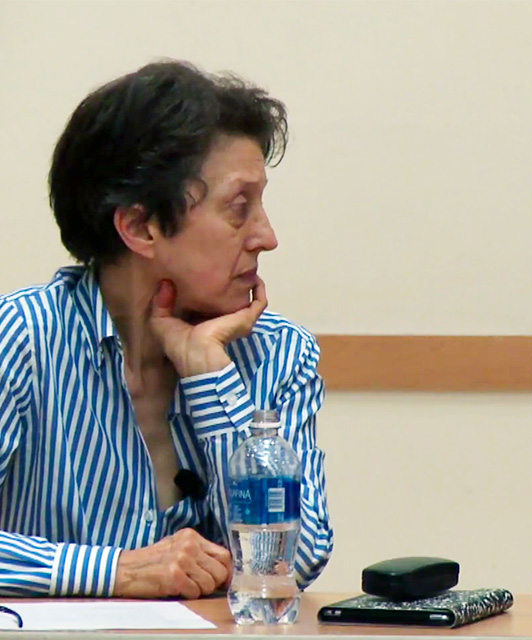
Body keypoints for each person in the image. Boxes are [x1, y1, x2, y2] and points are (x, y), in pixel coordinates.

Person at [0, 61, 332, 597]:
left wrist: (210, 375)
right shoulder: (22, 337)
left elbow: (295, 560)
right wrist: (117, 571)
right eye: (239, 208)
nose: (267, 237)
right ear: (139, 227)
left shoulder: (277, 353)